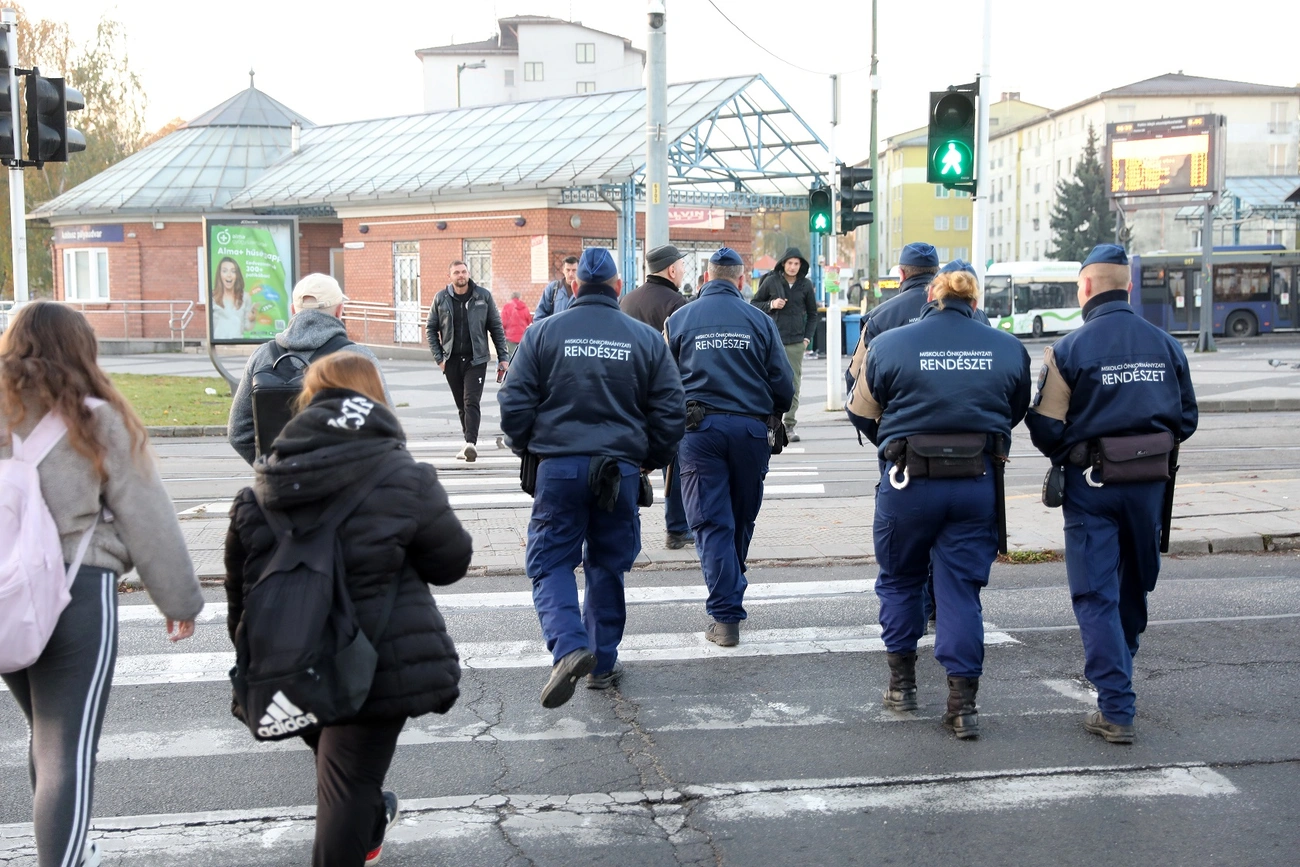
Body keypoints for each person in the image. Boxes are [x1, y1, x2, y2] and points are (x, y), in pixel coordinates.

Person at [224, 352, 472, 866]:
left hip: (294, 661)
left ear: (308, 399)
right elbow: (451, 560)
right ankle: (363, 825)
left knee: (344, 777)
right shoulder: (403, 475)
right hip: (378, 662)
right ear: (374, 399)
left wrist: (262, 656)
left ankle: (369, 824)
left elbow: (241, 591)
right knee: (349, 785)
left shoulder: (266, 482)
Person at [1, 301, 204, 867]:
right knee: (66, 743)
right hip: (74, 592)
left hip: (2, 599)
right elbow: (147, 514)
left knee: (43, 734)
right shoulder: (95, 417)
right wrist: (180, 599)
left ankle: (69, 852)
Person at [1026, 244, 1198, 745]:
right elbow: (1186, 419)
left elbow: (1044, 425)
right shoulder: (1166, 345)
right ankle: (1121, 658)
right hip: (1149, 486)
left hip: (1092, 486)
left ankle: (1116, 706)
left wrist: (1079, 451)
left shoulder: (1071, 349)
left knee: (1095, 592)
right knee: (1136, 581)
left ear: (1085, 288)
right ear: (1127, 286)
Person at [847, 268, 1030, 740]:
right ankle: (962, 706)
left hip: (907, 480)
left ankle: (902, 685)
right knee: (961, 591)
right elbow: (1015, 410)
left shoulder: (890, 344)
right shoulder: (1007, 347)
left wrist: (893, 440)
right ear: (974, 300)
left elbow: (860, 410)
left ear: (930, 295)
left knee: (900, 579)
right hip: (976, 481)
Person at [499, 247, 685, 707]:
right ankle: (601, 662)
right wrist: (650, 458)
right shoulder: (644, 339)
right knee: (607, 564)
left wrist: (530, 447)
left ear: (575, 285)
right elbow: (670, 410)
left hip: (558, 467)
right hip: (618, 470)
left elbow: (513, 404)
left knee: (550, 561)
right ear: (618, 287)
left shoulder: (543, 333)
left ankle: (568, 647)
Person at [665, 247, 794, 647]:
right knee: (740, 519)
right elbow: (784, 385)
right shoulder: (760, 320)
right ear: (740, 280)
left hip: (698, 431)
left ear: (706, 277)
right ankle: (728, 597)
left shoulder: (679, 319)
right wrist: (769, 411)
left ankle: (725, 615)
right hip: (751, 430)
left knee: (710, 522)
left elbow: (660, 382)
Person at [229, 273, 392, 466]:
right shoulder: (358, 358)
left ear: (292, 311)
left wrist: (274, 470)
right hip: (343, 485)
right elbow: (388, 428)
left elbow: (238, 432)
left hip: (282, 488)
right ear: (340, 311)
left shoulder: (262, 356)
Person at [620, 243, 692, 550]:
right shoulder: (678, 303)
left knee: (627, 457)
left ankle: (625, 521)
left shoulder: (627, 300)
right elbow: (682, 353)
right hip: (663, 393)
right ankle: (676, 528)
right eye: (682, 267)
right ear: (672, 269)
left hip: (627, 392)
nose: (683, 272)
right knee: (671, 459)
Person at [426, 260, 510, 462]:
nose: (461, 275)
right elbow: (430, 328)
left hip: (476, 359)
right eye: (456, 272)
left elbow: (496, 328)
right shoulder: (441, 298)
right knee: (461, 405)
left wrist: (503, 357)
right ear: (450, 276)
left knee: (471, 401)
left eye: (463, 271)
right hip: (451, 360)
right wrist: (439, 358)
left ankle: (471, 443)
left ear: (468, 273)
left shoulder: (483, 296)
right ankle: (467, 443)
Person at [750, 247, 818, 441]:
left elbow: (813, 314)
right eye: (790, 263)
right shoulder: (771, 281)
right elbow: (754, 304)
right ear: (783, 263)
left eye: (797, 264)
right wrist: (771, 304)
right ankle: (771, 423)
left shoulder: (805, 285)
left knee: (793, 383)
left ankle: (789, 425)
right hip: (773, 340)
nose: (793, 267)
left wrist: (807, 339)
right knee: (769, 380)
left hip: (796, 342)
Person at [211, 256, 255, 339]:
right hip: (219, 345)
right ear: (219, 274)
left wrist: (252, 319)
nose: (229, 275)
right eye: (224, 271)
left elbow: (247, 327)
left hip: (237, 343)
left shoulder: (245, 297)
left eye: (233, 271)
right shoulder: (212, 297)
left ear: (237, 275)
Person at [533, 255, 580, 322]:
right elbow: (539, 315)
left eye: (574, 270)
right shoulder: (553, 289)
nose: (570, 274)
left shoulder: (583, 290)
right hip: (556, 331)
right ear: (563, 270)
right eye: (568, 270)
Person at [501, 290, 534, 357]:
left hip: (510, 336)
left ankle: (512, 367)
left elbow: (503, 323)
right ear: (519, 297)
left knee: (512, 355)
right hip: (522, 336)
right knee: (522, 356)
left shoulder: (507, 306)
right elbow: (529, 320)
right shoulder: (524, 306)